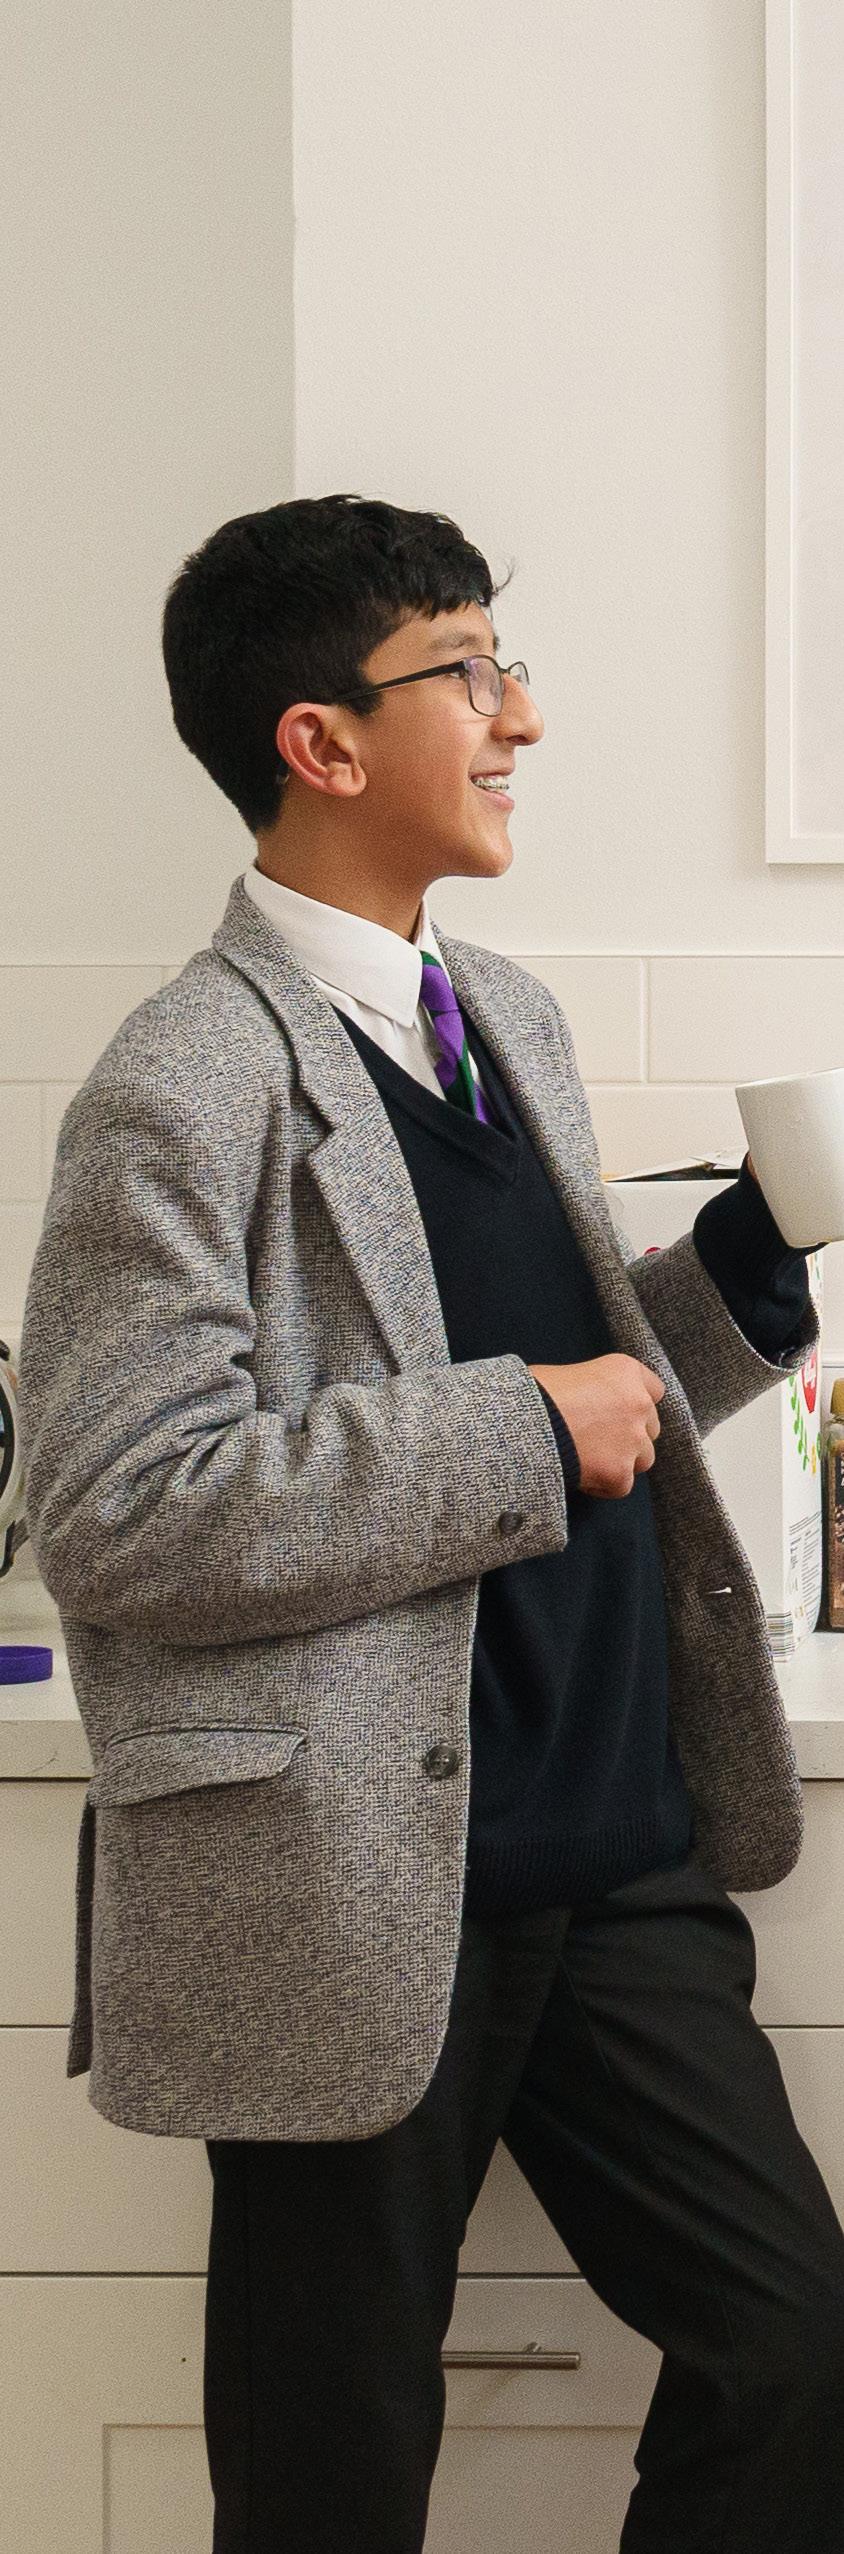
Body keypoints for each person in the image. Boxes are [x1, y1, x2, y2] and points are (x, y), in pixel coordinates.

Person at [17, 493, 844, 2553]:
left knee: (795, 2351)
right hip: (347, 1889)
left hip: (612, 1844)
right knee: (331, 2472)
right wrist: (524, 1421)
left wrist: (746, 1268)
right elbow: (121, 1506)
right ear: (319, 740)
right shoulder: (180, 1081)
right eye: (469, 671)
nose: (520, 716)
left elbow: (568, 1385)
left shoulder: (504, 1017)